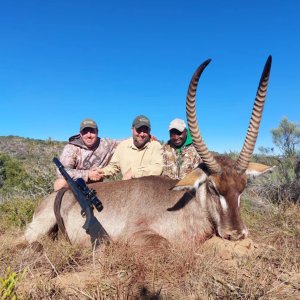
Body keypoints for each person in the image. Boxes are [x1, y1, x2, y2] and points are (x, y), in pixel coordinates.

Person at [53, 118, 118, 191]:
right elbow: (62, 172)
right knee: (60, 183)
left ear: (97, 132)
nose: (89, 135)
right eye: (85, 132)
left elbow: (126, 142)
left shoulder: (107, 144)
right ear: (80, 133)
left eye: (92, 131)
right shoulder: (71, 148)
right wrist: (88, 174)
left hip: (98, 184)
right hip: (76, 185)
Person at [98, 115, 163, 180]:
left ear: (150, 131)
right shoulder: (123, 146)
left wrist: (133, 173)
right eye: (139, 130)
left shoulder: (155, 146)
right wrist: (102, 172)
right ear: (132, 130)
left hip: (149, 186)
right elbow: (113, 167)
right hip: (128, 187)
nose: (142, 134)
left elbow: (157, 168)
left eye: (145, 131)